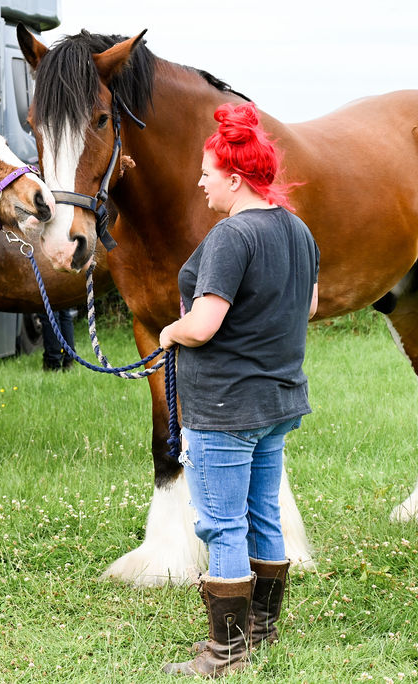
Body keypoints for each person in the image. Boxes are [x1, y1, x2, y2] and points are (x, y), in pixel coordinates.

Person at [157, 102, 319, 678]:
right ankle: (262, 632)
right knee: (263, 514)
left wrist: (170, 330)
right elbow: (311, 305)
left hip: (226, 407)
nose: (199, 182)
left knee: (222, 524)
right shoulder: (297, 229)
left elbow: (202, 325)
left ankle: (225, 651)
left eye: (206, 173)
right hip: (276, 402)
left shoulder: (232, 236)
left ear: (232, 176)